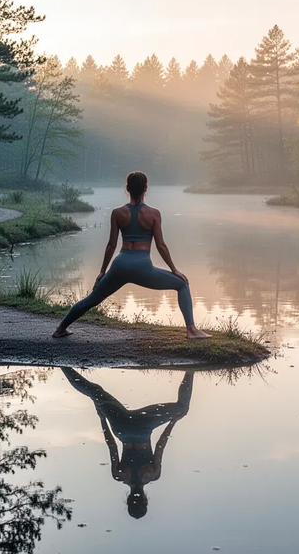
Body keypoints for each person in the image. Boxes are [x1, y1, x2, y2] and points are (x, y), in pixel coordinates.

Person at [52, 171, 211, 339]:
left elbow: (111, 245)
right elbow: (161, 246)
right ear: (145, 188)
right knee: (182, 284)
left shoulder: (117, 213)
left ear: (127, 188)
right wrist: (174, 269)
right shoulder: (154, 214)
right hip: (142, 266)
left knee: (92, 299)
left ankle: (60, 329)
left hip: (120, 265)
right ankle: (191, 330)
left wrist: (102, 271)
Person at [61, 367, 193, 518]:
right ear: (128, 500)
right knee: (94, 391)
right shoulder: (119, 475)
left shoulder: (153, 475)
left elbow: (160, 445)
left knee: (182, 407)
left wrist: (173, 421)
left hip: (143, 427)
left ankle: (191, 369)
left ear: (145, 500)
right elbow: (111, 444)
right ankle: (62, 365)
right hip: (121, 427)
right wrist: (102, 418)